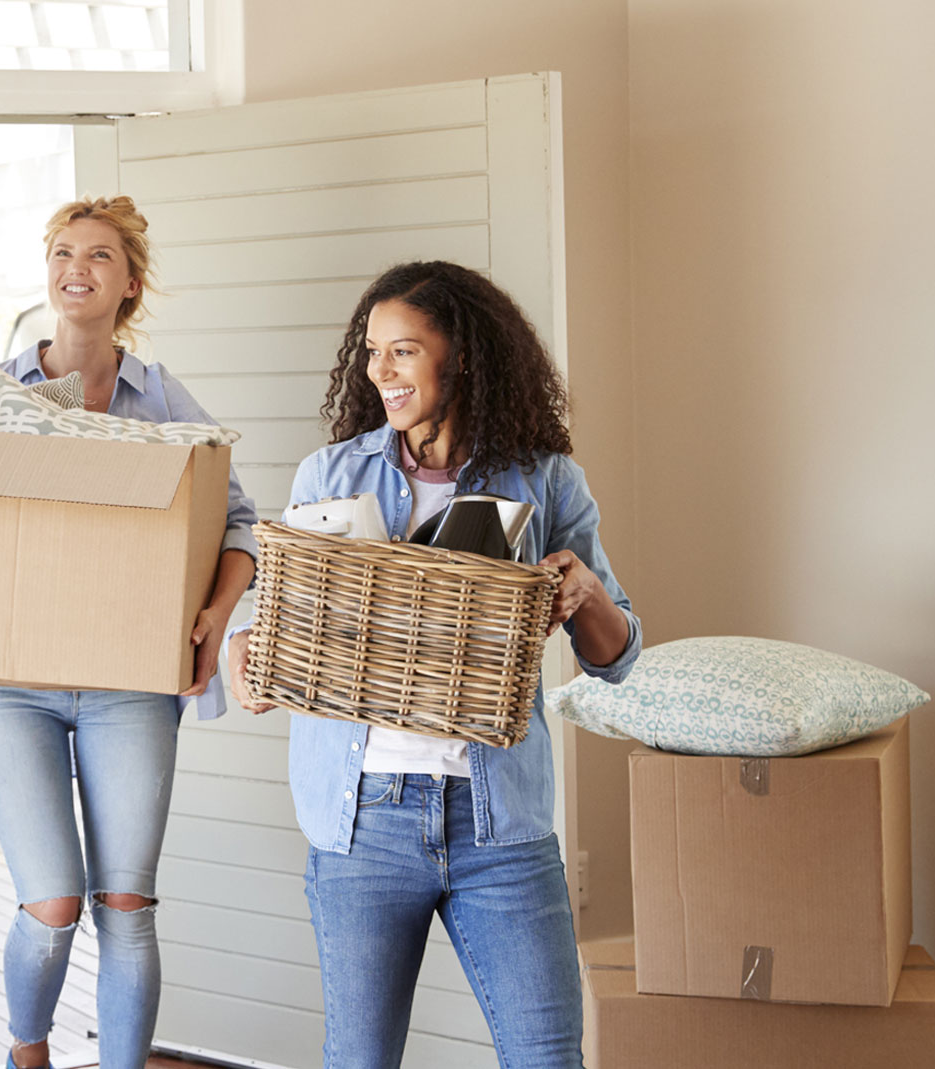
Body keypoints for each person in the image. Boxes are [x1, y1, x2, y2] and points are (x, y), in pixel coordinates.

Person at [227, 261, 641, 1068]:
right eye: (374, 351)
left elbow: (617, 657)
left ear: (463, 357)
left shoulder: (546, 480)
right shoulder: (332, 474)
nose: (381, 370)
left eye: (404, 350)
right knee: (360, 1058)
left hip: (501, 828)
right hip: (362, 819)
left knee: (548, 1055)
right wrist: (245, 644)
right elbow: (275, 604)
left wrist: (584, 591)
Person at [0, 195, 259, 1069]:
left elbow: (238, 523)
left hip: (129, 684)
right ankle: (26, 1051)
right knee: (54, 902)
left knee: (125, 904)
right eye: (64, 252)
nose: (78, 267)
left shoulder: (161, 399)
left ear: (130, 284)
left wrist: (216, 617)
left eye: (100, 256)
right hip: (11, 685)